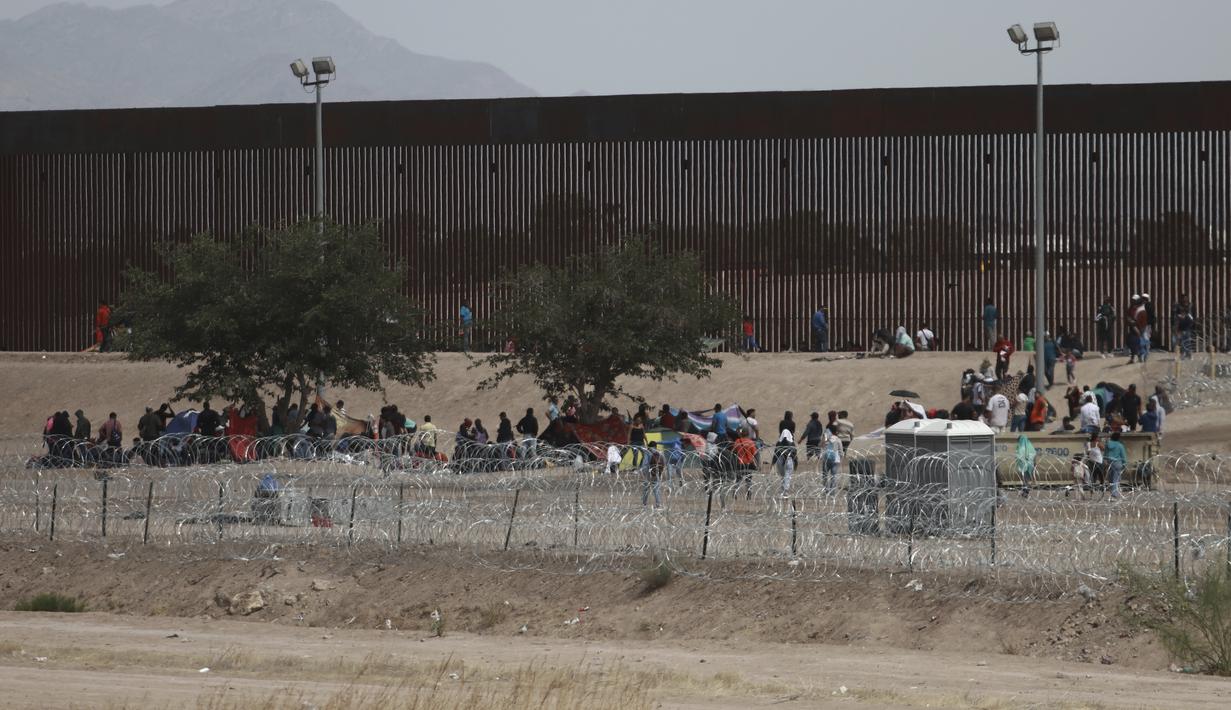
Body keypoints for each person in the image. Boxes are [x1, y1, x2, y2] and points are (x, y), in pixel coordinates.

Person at [773, 428, 797, 497]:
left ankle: (783, 490)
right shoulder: (792, 443)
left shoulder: (779, 443)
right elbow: (794, 454)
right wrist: (796, 463)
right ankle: (785, 491)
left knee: (783, 476)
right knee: (787, 476)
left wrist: (773, 463)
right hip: (789, 461)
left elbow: (776, 453)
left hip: (780, 460)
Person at [1105, 431, 1128, 500]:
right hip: (1117, 462)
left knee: (1111, 479)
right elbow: (1123, 455)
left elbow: (1105, 454)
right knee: (1116, 479)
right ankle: (1114, 494)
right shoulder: (1120, 445)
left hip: (1109, 462)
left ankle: (1112, 492)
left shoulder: (1108, 444)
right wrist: (1125, 464)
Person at [1172, 293, 1196, 359]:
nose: (1185, 300)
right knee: (1182, 340)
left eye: (1186, 298)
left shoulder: (1190, 306)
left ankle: (1189, 354)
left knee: (1187, 340)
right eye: (1183, 299)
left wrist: (1193, 324)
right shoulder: (1178, 307)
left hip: (1188, 326)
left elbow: (1193, 316)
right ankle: (1184, 353)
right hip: (1181, 326)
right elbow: (1175, 316)